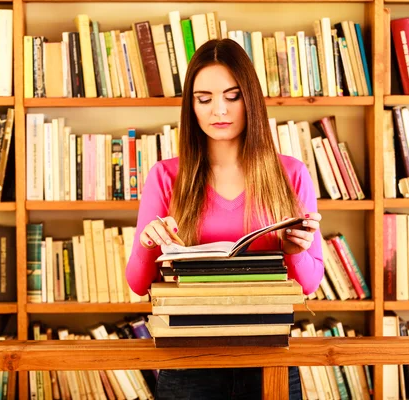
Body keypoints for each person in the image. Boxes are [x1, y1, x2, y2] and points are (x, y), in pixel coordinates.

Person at [126, 38, 324, 400]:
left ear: (250, 98)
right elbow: (138, 284)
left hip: (271, 359)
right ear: (192, 107)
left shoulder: (290, 174)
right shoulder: (165, 176)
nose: (219, 110)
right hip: (187, 362)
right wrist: (147, 243)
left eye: (232, 96)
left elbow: (310, 284)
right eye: (204, 99)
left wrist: (295, 249)